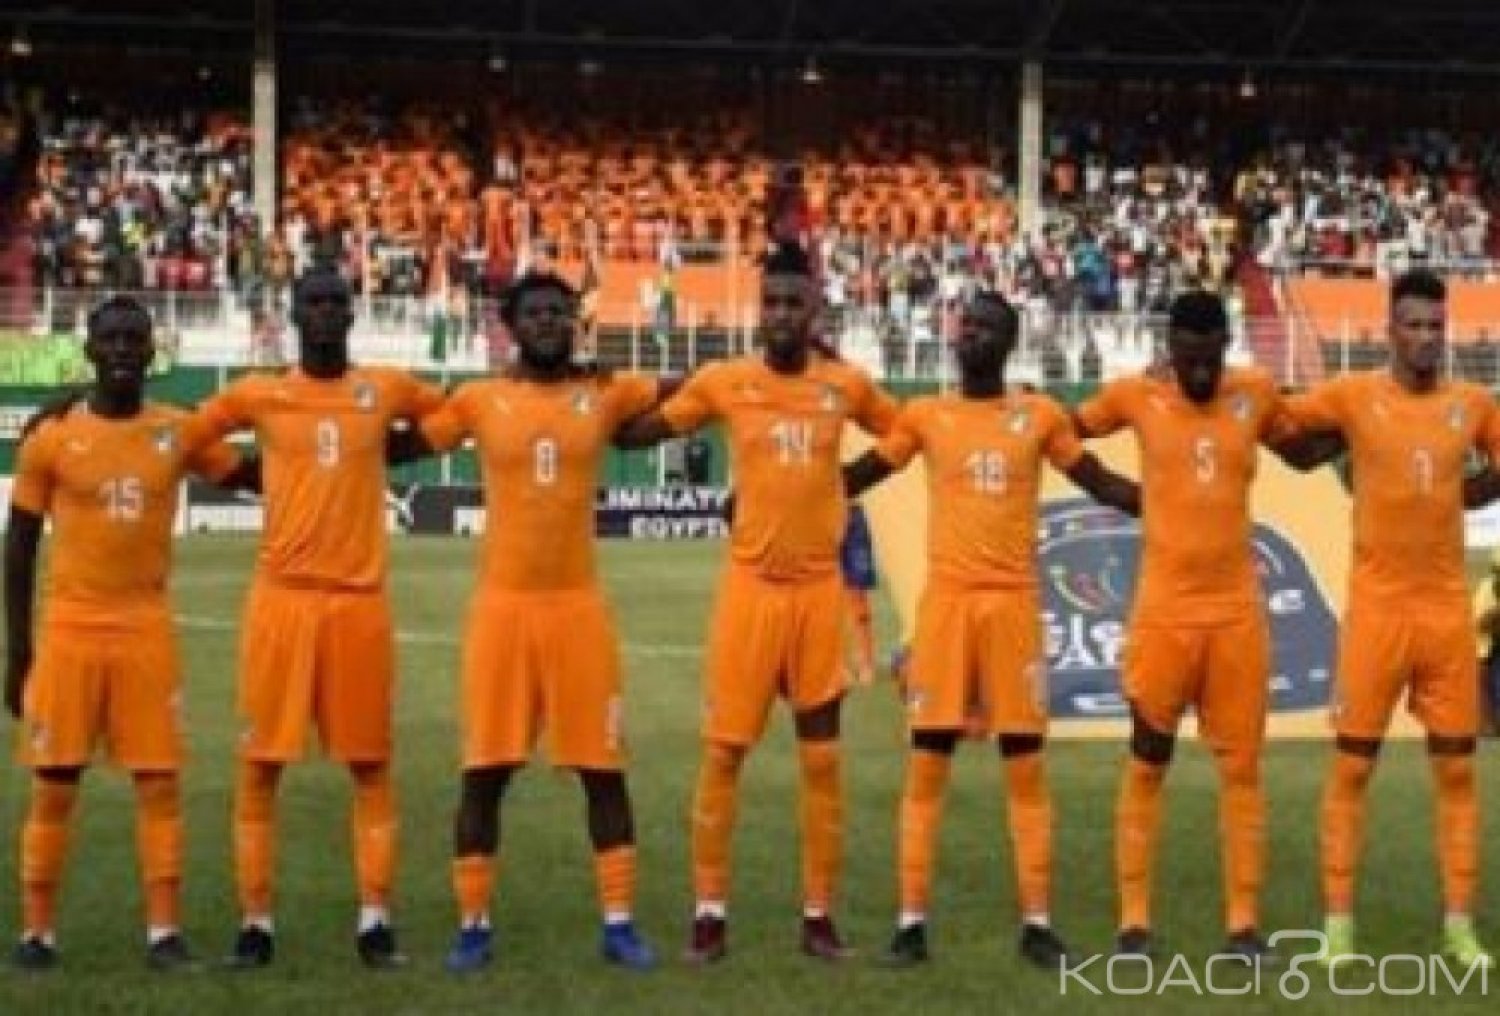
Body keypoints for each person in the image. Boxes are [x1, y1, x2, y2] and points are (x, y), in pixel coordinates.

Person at [615, 241, 900, 962]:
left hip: (817, 594)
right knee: (723, 755)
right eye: (770, 301)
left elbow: (907, 433)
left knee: (822, 762)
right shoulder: (726, 381)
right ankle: (709, 914)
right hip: (750, 594)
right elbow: (634, 434)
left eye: (793, 302)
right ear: (758, 307)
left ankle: (819, 916)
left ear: (815, 308)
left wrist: (845, 482)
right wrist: (630, 387)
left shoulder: (846, 384)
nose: (780, 314)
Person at [841, 291, 1139, 968]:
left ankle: (1037, 923)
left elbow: (1099, 482)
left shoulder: (1038, 416)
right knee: (927, 763)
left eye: (986, 327)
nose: (970, 334)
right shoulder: (926, 415)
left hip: (1013, 609)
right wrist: (787, 490)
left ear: (1009, 342)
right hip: (946, 609)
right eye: (966, 324)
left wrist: (1171, 504)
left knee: (1025, 766)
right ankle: (910, 924)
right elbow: (862, 473)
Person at [383, 270, 667, 973]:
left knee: (604, 771)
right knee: (484, 774)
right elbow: (408, 446)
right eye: (534, 312)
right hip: (502, 612)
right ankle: (472, 926)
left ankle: (620, 924)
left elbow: (687, 391)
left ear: (574, 322)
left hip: (579, 610)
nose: (547, 322)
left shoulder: (604, 393)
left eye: (558, 312)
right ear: (510, 325)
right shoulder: (479, 400)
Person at [181, 269, 444, 970]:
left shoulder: (384, 389)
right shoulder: (260, 393)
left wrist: (397, 448)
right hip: (281, 603)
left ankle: (375, 920)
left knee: (371, 765)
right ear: (294, 314)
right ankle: (255, 924)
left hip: (359, 606)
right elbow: (187, 433)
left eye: (336, 302)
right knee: (260, 767)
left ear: (351, 314)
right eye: (313, 302)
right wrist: (243, 475)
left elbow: (452, 418)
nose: (325, 312)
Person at [4, 296, 258, 971]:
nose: (122, 348)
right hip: (70, 631)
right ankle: (36, 933)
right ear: (90, 350)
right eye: (110, 338)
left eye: (134, 338)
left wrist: (321, 441)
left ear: (152, 352)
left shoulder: (178, 430)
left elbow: (252, 474)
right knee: (54, 781)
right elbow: (19, 545)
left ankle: (163, 934)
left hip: (145, 628)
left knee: (159, 783)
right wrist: (18, 649)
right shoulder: (51, 436)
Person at [1072, 289, 1318, 962]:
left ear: (1225, 345)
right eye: (1189, 354)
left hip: (1237, 617)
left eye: (1211, 354)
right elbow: (1065, 431)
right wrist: (1114, 490)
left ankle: (1243, 928)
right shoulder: (1135, 395)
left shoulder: (1255, 393)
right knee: (1148, 758)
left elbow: (1302, 452)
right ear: (1171, 347)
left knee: (1242, 769)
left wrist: (1364, 430)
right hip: (1165, 617)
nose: (1201, 368)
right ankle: (1133, 925)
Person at [1286, 269, 1500, 970]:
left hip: (1445, 618)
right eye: (1413, 325)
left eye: (1436, 326)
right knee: (1351, 770)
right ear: (1390, 331)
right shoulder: (1353, 395)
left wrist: (1467, 492)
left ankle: (1460, 930)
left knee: (1458, 775)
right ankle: (1338, 929)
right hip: (1376, 617)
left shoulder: (1473, 404)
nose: (1426, 337)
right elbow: (1283, 426)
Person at [838, 503, 878, 687]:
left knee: (858, 596)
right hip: (822, 517)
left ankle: (866, 662)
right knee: (829, 597)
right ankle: (839, 664)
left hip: (853, 516)